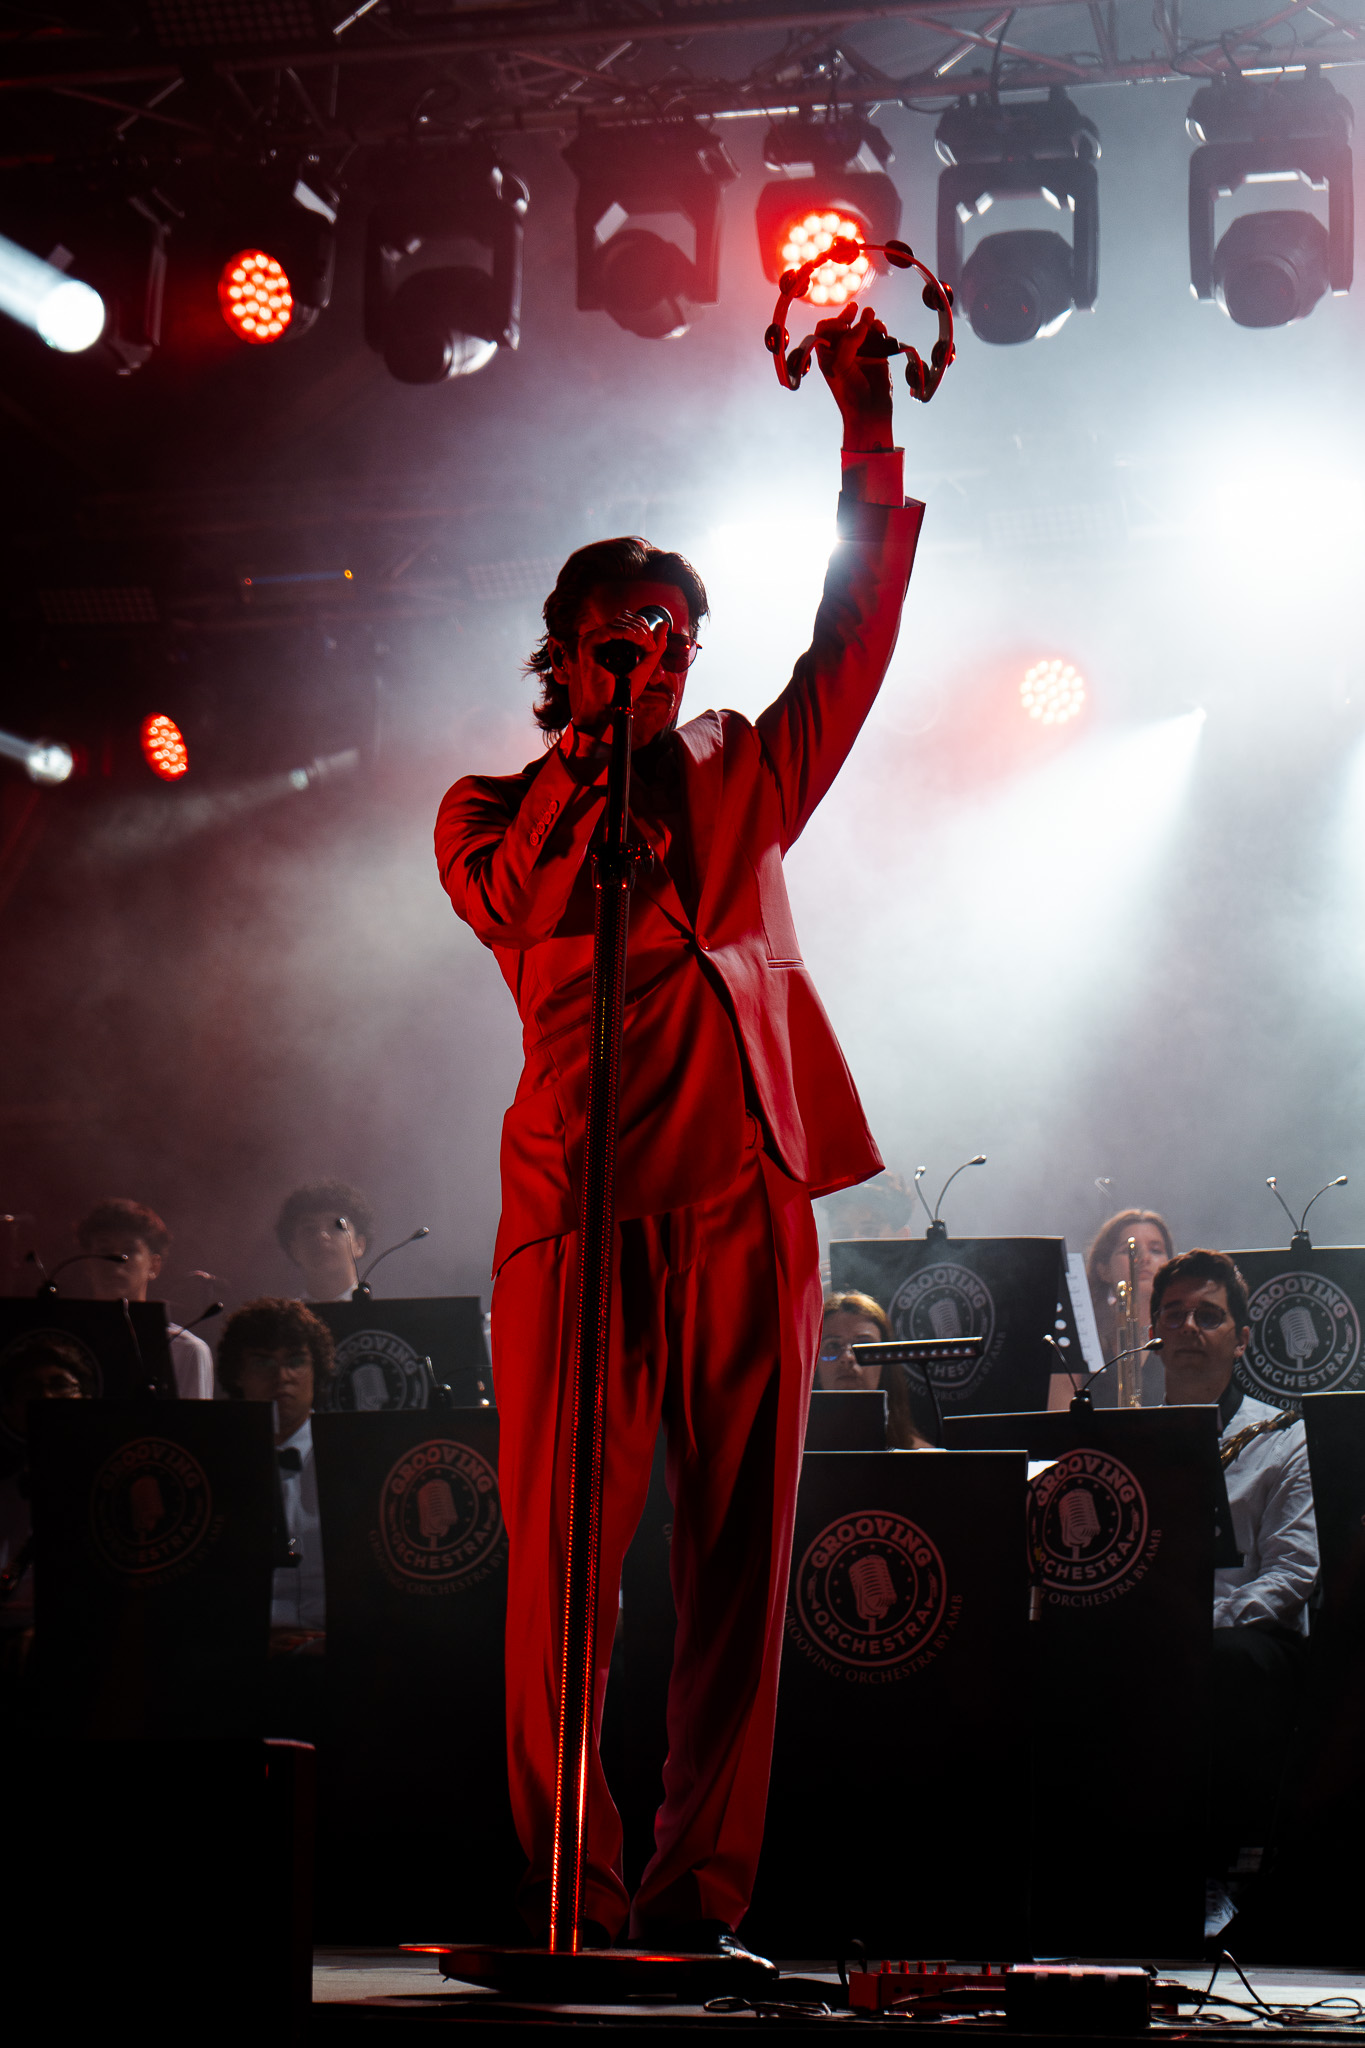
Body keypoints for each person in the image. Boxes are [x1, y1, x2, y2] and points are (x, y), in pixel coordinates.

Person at [436, 300, 923, 1950]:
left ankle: (692, 1900)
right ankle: (564, 1897)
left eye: (679, 633)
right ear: (565, 652)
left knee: (739, 1573)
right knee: (564, 1579)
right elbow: (521, 903)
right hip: (577, 1215)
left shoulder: (744, 778)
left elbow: (849, 642)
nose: (661, 651)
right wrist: (594, 752)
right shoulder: (493, 810)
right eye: (626, 631)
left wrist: (866, 442)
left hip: (746, 1201)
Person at [1150, 1248, 1318, 1883]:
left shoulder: (1285, 1438)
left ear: (1242, 1339)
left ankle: (1219, 1869)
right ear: (1154, 1335)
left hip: (1246, 1638)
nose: (1188, 1327)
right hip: (1154, 1630)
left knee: (1227, 1660)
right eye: (1173, 1314)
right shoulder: (1127, 1435)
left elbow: (1293, 1574)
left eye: (1208, 1315)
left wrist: (1197, 1622)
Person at [218, 1298, 333, 1633]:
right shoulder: (215, 1462)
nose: (282, 1377)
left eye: (296, 1361)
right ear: (237, 1375)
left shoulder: (350, 1456)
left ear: (316, 1371)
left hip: (336, 1645)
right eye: (263, 1363)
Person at [0, 1333, 92, 1636]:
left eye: (60, 1385)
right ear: (9, 1409)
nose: (47, 1397)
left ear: (85, 1400)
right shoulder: (7, 1492)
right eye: (31, 1389)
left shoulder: (107, 1489)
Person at [75, 1198, 214, 1400]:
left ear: (154, 1266)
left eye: (130, 1249)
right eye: (104, 1250)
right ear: (87, 1264)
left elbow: (192, 1421)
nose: (116, 1258)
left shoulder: (186, 1350)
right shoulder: (66, 1342)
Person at [817, 1291, 930, 1450]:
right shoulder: (790, 1453)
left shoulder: (921, 1456)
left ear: (885, 1364)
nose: (847, 1357)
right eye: (833, 1345)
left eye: (863, 1346)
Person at [1086, 1207, 1175, 1404]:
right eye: (1128, 1251)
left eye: (1156, 1250)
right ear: (1103, 1270)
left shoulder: (1182, 1333)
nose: (1144, 1259)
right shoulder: (1085, 1340)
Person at [275, 1180, 372, 1302]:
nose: (322, 1236)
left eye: (336, 1227)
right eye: (309, 1229)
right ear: (294, 1250)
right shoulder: (282, 1314)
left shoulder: (385, 1311)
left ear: (359, 1245)